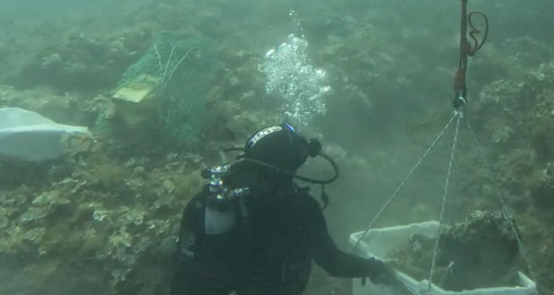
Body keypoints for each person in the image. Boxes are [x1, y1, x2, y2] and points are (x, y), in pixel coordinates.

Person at [169, 121, 402, 294]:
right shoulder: (300, 209)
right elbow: (333, 262)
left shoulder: (216, 196)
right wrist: (376, 268)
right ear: (287, 164)